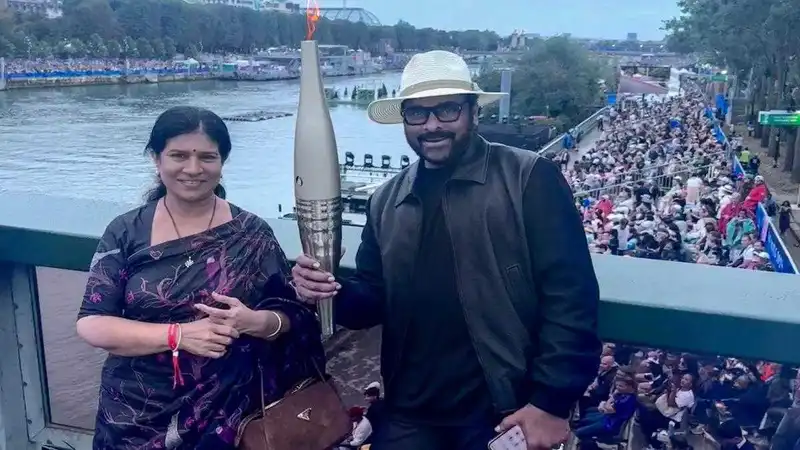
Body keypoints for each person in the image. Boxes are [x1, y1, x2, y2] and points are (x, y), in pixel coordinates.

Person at [291, 50, 601, 450]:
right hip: (408, 411)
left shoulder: (528, 178)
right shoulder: (386, 199)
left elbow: (571, 297)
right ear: (404, 119)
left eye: (448, 110)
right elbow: (372, 299)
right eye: (417, 113)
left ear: (474, 112)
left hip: (502, 411)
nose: (432, 125)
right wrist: (325, 288)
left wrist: (550, 402)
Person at [76, 106, 324, 449]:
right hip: (135, 417)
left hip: (233, 417)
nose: (193, 169)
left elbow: (293, 317)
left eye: (207, 157)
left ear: (222, 162)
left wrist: (254, 321)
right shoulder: (126, 231)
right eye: (178, 155)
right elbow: (92, 323)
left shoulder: (252, 234)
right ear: (156, 159)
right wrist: (179, 335)